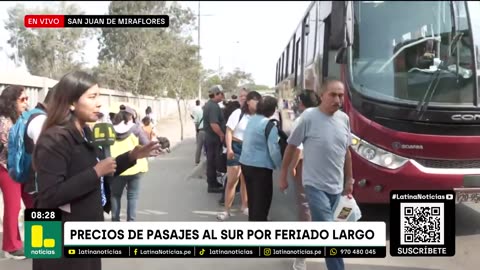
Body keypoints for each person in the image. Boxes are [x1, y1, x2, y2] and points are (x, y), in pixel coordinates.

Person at [32, 71, 160, 270]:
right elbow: (48, 195)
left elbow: (100, 169)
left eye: (98, 96)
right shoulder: (54, 138)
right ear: (71, 103)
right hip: (58, 235)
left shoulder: (85, 132)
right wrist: (95, 172)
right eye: (92, 97)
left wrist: (132, 156)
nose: (99, 103)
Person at [279, 79, 354, 270]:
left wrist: (349, 180)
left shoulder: (344, 119)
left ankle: (300, 252)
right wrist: (283, 174)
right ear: (322, 95)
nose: (338, 99)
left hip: (335, 187)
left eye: (341, 95)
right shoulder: (308, 117)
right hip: (314, 185)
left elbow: (346, 152)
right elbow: (292, 146)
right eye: (333, 94)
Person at [217, 91, 261, 221]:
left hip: (250, 149)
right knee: (232, 180)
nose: (258, 103)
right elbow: (229, 131)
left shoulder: (258, 116)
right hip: (236, 147)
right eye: (255, 100)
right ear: (248, 101)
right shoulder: (238, 113)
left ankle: (245, 206)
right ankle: (226, 210)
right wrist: (229, 148)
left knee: (246, 180)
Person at [289, 90, 320, 270]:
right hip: (327, 168)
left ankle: (302, 255)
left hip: (307, 167)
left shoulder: (302, 120)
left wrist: (292, 167)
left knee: (305, 207)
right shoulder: (330, 117)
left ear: (301, 103)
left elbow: (298, 149)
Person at [240, 96, 282, 221]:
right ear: (271, 110)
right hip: (261, 168)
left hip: (245, 164)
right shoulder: (269, 126)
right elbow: (274, 150)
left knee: (252, 199)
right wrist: (280, 166)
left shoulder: (251, 120)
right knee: (262, 202)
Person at [0, 85, 30, 259]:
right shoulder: (4, 122)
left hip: (23, 167)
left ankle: (40, 243)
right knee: (14, 206)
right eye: (22, 99)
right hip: (7, 168)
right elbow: (13, 147)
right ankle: (11, 246)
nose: (26, 103)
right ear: (11, 101)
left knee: (33, 200)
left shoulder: (20, 117)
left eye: (27, 99)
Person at [110, 110, 149, 222]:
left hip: (116, 167)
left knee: (115, 196)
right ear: (129, 118)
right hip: (135, 167)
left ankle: (115, 222)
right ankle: (131, 223)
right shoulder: (136, 129)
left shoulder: (110, 129)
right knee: (132, 196)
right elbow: (146, 144)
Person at [23, 85, 58, 201]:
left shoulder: (33, 113)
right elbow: (45, 155)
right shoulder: (40, 120)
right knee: (43, 217)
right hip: (39, 183)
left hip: (34, 180)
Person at [203, 85, 225, 193]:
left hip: (211, 138)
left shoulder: (211, 105)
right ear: (216, 94)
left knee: (212, 161)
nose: (222, 96)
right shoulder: (213, 107)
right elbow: (214, 124)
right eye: (221, 94)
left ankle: (213, 182)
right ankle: (212, 185)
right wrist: (221, 134)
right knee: (212, 162)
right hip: (213, 138)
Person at [191, 100, 205, 165]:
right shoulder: (210, 113)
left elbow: (196, 122)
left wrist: (197, 130)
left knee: (199, 146)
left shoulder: (199, 112)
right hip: (208, 131)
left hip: (201, 130)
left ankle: (197, 161)